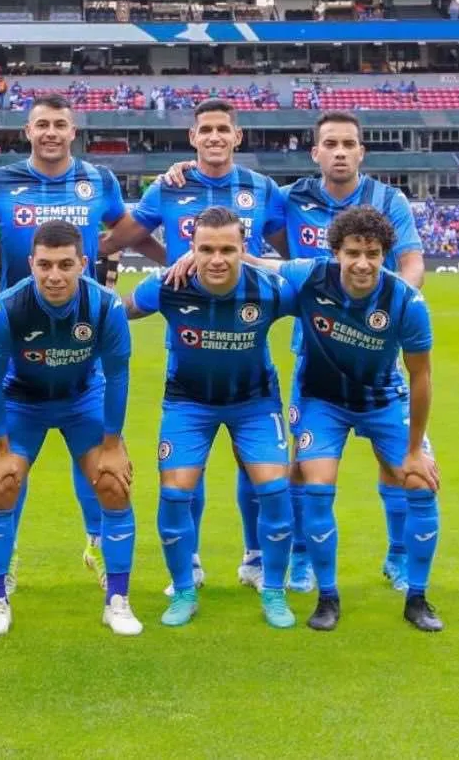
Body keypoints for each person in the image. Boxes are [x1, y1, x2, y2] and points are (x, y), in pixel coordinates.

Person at [0, 93, 165, 592]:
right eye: (42, 124)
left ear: (73, 130)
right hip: (19, 335)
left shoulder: (97, 180)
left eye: (60, 124)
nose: (51, 132)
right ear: (27, 130)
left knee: (97, 461)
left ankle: (98, 545)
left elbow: (126, 230)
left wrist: (171, 260)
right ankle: (6, 554)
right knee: (8, 470)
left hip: (80, 334)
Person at [101, 97, 288, 593]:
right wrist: (173, 263)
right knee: (190, 462)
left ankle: (254, 556)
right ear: (192, 137)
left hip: (246, 330)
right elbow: (122, 236)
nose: (214, 138)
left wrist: (257, 268)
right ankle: (194, 561)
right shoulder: (170, 185)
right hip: (187, 339)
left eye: (223, 129)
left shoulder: (261, 188)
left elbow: (294, 254)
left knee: (256, 464)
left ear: (237, 136)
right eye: (205, 130)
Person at [251, 206, 442, 632]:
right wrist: (196, 256)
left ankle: (418, 598)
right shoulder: (310, 275)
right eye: (353, 252)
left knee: (421, 482)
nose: (362, 263)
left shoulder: (407, 302)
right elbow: (257, 263)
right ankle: (327, 597)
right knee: (316, 484)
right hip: (323, 400)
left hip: (383, 400)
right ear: (335, 251)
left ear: (384, 255)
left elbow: (421, 376)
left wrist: (414, 451)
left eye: (372, 254)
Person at [124, 207, 297, 630]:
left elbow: (324, 294)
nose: (217, 259)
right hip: (188, 403)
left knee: (275, 488)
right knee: (176, 492)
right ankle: (184, 589)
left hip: (255, 403)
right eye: (206, 249)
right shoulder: (169, 286)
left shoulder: (271, 290)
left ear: (243, 250)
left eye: (227, 249)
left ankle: (273, 589)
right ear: (190, 250)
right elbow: (115, 309)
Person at [281, 111, 426, 593]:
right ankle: (301, 557)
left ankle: (399, 556)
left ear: (362, 151)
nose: (340, 151)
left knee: (396, 463)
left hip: (376, 354)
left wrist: (383, 307)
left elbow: (411, 262)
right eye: (330, 143)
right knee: (303, 467)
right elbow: (246, 232)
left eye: (349, 143)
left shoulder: (390, 200)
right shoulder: (289, 198)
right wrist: (182, 170)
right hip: (315, 358)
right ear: (315, 152)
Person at [0, 220, 140, 637]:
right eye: (45, 265)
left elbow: (118, 376)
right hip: (22, 399)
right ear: (30, 263)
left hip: (81, 397)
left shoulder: (105, 306)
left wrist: (113, 444)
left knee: (113, 482)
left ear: (83, 263)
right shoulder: (7, 308)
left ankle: (117, 600)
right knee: (3, 482)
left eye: (65, 265)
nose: (54, 275)